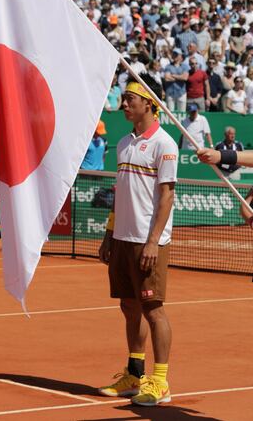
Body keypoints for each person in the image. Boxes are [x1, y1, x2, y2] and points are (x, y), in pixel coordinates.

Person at [98, 74, 178, 406]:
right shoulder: (123, 143)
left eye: (129, 99)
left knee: (153, 309)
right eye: (124, 99)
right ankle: (135, 374)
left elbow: (166, 199)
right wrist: (108, 233)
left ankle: (160, 382)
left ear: (149, 102)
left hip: (149, 242)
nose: (123, 105)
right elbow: (121, 195)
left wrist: (152, 242)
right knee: (128, 306)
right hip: (121, 239)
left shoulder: (165, 144)